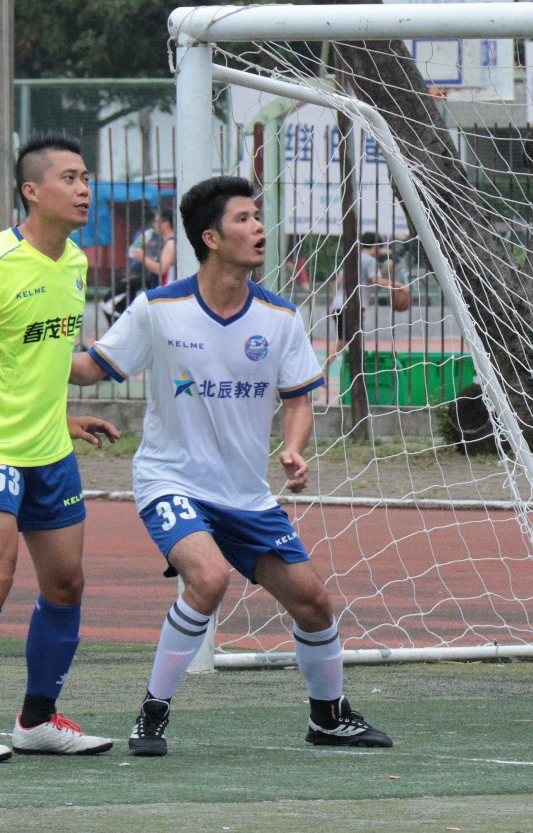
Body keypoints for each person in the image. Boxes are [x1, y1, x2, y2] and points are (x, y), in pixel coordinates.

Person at [71, 175, 392, 756]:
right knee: (209, 578)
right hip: (171, 479)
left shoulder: (280, 317)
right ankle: (152, 713)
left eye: (259, 217)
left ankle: (327, 717)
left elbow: (298, 398)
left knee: (313, 602)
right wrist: (20, 345)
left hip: (246, 493)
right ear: (211, 237)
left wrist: (294, 447)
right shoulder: (159, 308)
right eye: (244, 219)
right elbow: (90, 367)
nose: (259, 229)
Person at [0, 136, 121, 764]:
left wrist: (63, 415)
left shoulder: (73, 263)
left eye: (87, 176)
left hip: (49, 450)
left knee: (66, 584)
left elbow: (36, 357)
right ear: (32, 190)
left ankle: (37, 719)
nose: (85, 188)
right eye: (71, 177)